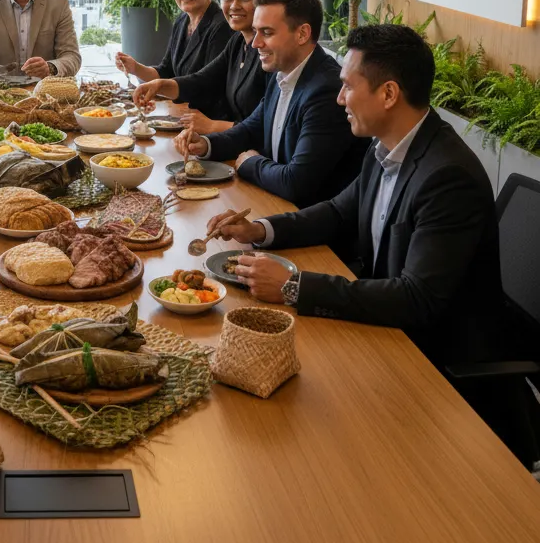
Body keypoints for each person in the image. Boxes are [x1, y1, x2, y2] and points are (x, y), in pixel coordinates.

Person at [205, 24, 501, 365]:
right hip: (384, 325)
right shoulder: (387, 145)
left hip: (434, 357)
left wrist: (294, 286)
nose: (339, 98)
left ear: (389, 94)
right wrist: (260, 229)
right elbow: (337, 211)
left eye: (347, 86)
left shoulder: (448, 177)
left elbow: (417, 298)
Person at [175, 0, 365, 207]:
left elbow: (296, 183)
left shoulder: (327, 90)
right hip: (275, 205)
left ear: (303, 33)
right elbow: (250, 130)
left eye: (267, 32)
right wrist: (205, 144)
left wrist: (250, 162)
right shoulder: (283, 71)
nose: (256, 43)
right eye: (256, 31)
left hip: (310, 229)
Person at [132, 0, 274, 132]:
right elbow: (202, 80)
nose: (234, 6)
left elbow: (268, 126)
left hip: (245, 145)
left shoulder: (271, 52)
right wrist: (157, 86)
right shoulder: (237, 42)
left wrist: (212, 126)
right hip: (225, 137)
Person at [115, 0, 234, 85]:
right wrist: (135, 68)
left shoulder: (222, 26)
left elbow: (208, 84)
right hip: (181, 104)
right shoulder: (182, 21)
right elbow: (166, 72)